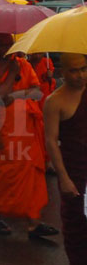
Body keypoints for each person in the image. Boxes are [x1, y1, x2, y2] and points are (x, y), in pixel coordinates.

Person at [0, 33, 57, 238]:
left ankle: (33, 223)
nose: (6, 49)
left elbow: (37, 92)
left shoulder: (23, 64)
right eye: (1, 45)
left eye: (8, 45)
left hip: (25, 132)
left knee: (31, 177)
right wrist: (12, 74)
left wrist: (16, 95)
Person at [43, 53, 87, 265]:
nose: (80, 75)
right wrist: (64, 178)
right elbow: (51, 141)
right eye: (74, 70)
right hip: (74, 170)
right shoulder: (55, 101)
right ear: (62, 72)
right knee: (76, 227)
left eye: (84, 69)